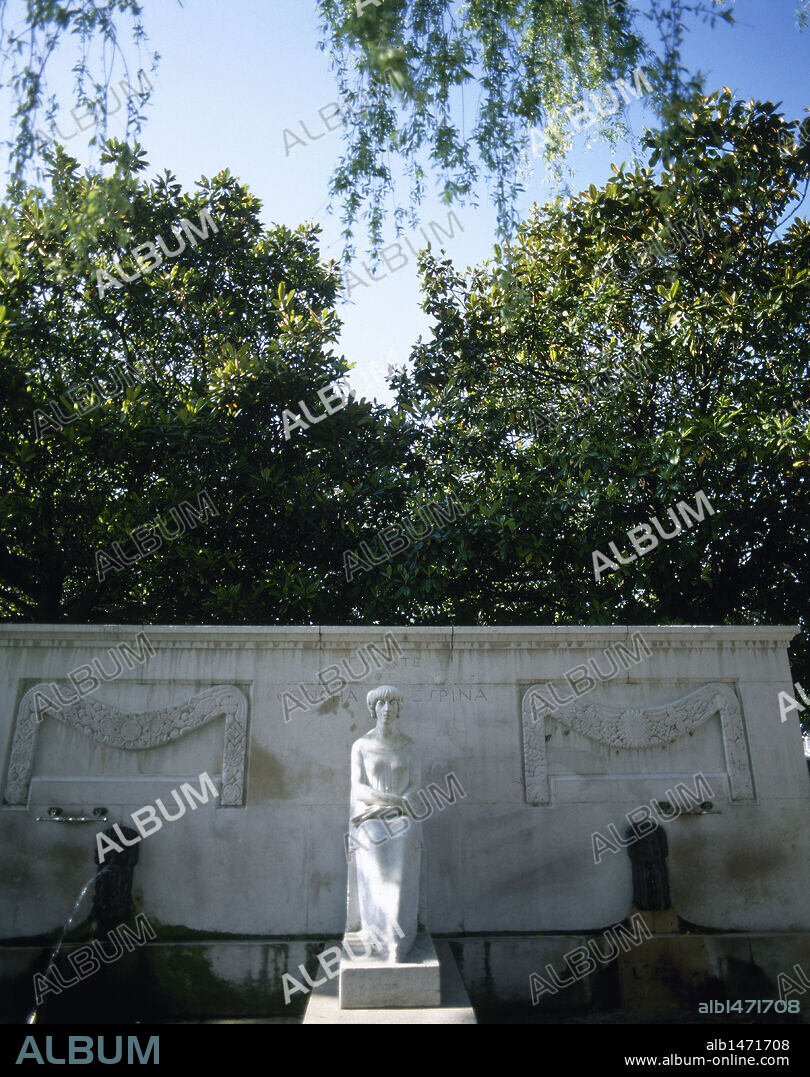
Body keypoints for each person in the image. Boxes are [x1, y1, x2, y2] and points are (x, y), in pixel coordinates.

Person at [347, 685, 421, 961]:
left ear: (399, 709)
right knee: (374, 847)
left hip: (400, 818)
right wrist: (392, 802)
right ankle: (377, 931)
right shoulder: (361, 746)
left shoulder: (410, 746)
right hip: (371, 817)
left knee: (403, 842)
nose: (387, 708)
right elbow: (359, 789)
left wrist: (398, 806)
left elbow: (415, 785)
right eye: (381, 703)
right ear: (373, 709)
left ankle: (398, 935)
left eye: (392, 703)